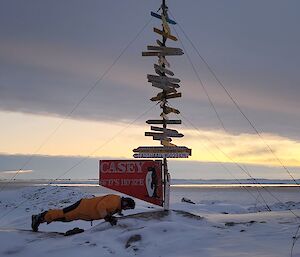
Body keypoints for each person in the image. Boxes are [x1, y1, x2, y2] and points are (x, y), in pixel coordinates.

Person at [31, 194, 135, 232]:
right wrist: (107, 217)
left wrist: (113, 215)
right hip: (82, 207)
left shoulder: (116, 205)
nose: (126, 209)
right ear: (125, 202)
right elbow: (101, 206)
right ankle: (39, 217)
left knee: (64, 218)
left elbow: (109, 209)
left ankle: (41, 219)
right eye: (127, 207)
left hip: (83, 212)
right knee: (62, 214)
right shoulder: (115, 200)